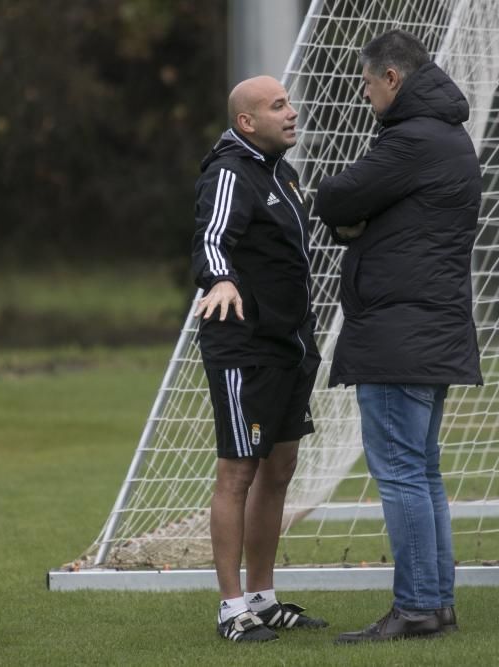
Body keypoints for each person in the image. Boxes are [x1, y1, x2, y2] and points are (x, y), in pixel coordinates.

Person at [314, 29, 484, 643]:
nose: (364, 96)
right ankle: (434, 604)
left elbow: (336, 195)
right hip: (432, 329)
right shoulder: (448, 136)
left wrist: (349, 216)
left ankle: (415, 606)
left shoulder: (410, 140)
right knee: (422, 470)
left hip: (398, 332)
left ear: (391, 79)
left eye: (366, 84)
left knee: (402, 473)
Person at [192, 75, 327, 643]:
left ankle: (263, 598)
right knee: (239, 472)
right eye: (278, 106)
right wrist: (219, 278)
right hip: (245, 347)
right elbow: (212, 236)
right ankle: (230, 609)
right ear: (247, 122)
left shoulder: (283, 172)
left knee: (280, 470)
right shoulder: (230, 170)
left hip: (291, 343)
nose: (291, 113)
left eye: (289, 103)